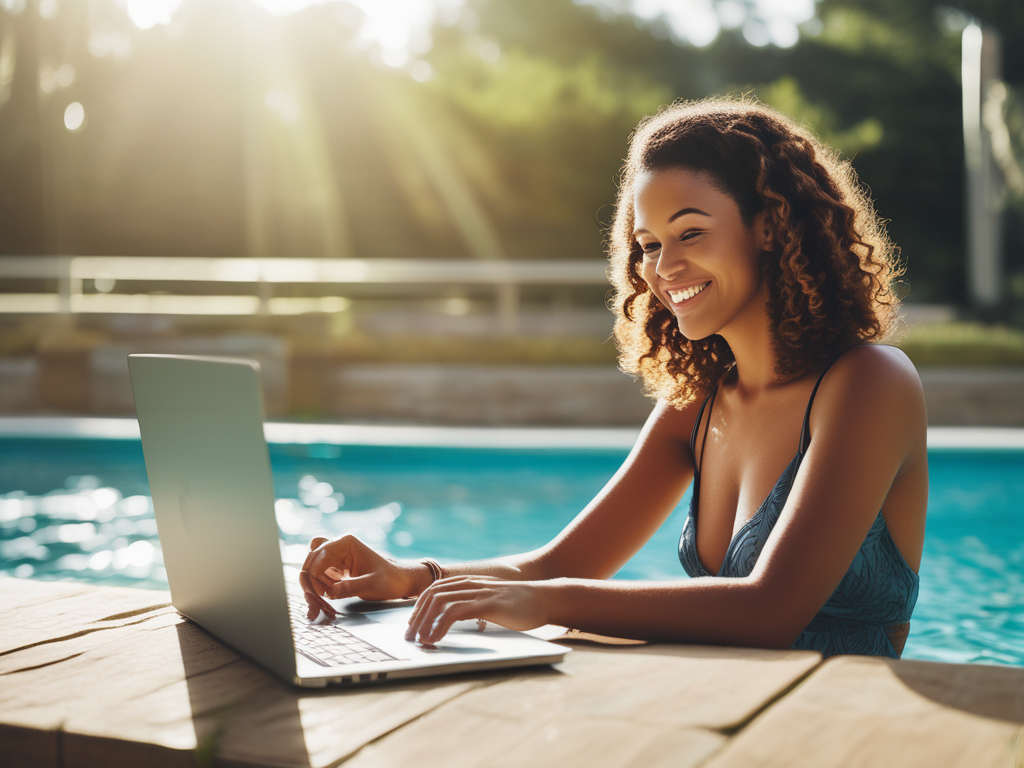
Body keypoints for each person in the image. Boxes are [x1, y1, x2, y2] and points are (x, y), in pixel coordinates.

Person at [299, 97, 927, 659]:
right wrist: (411, 577)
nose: (664, 267)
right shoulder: (699, 404)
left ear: (768, 225)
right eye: (648, 243)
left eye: (691, 233)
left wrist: (552, 604)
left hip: (842, 734)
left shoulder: (869, 382)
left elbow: (770, 610)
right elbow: (562, 564)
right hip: (726, 723)